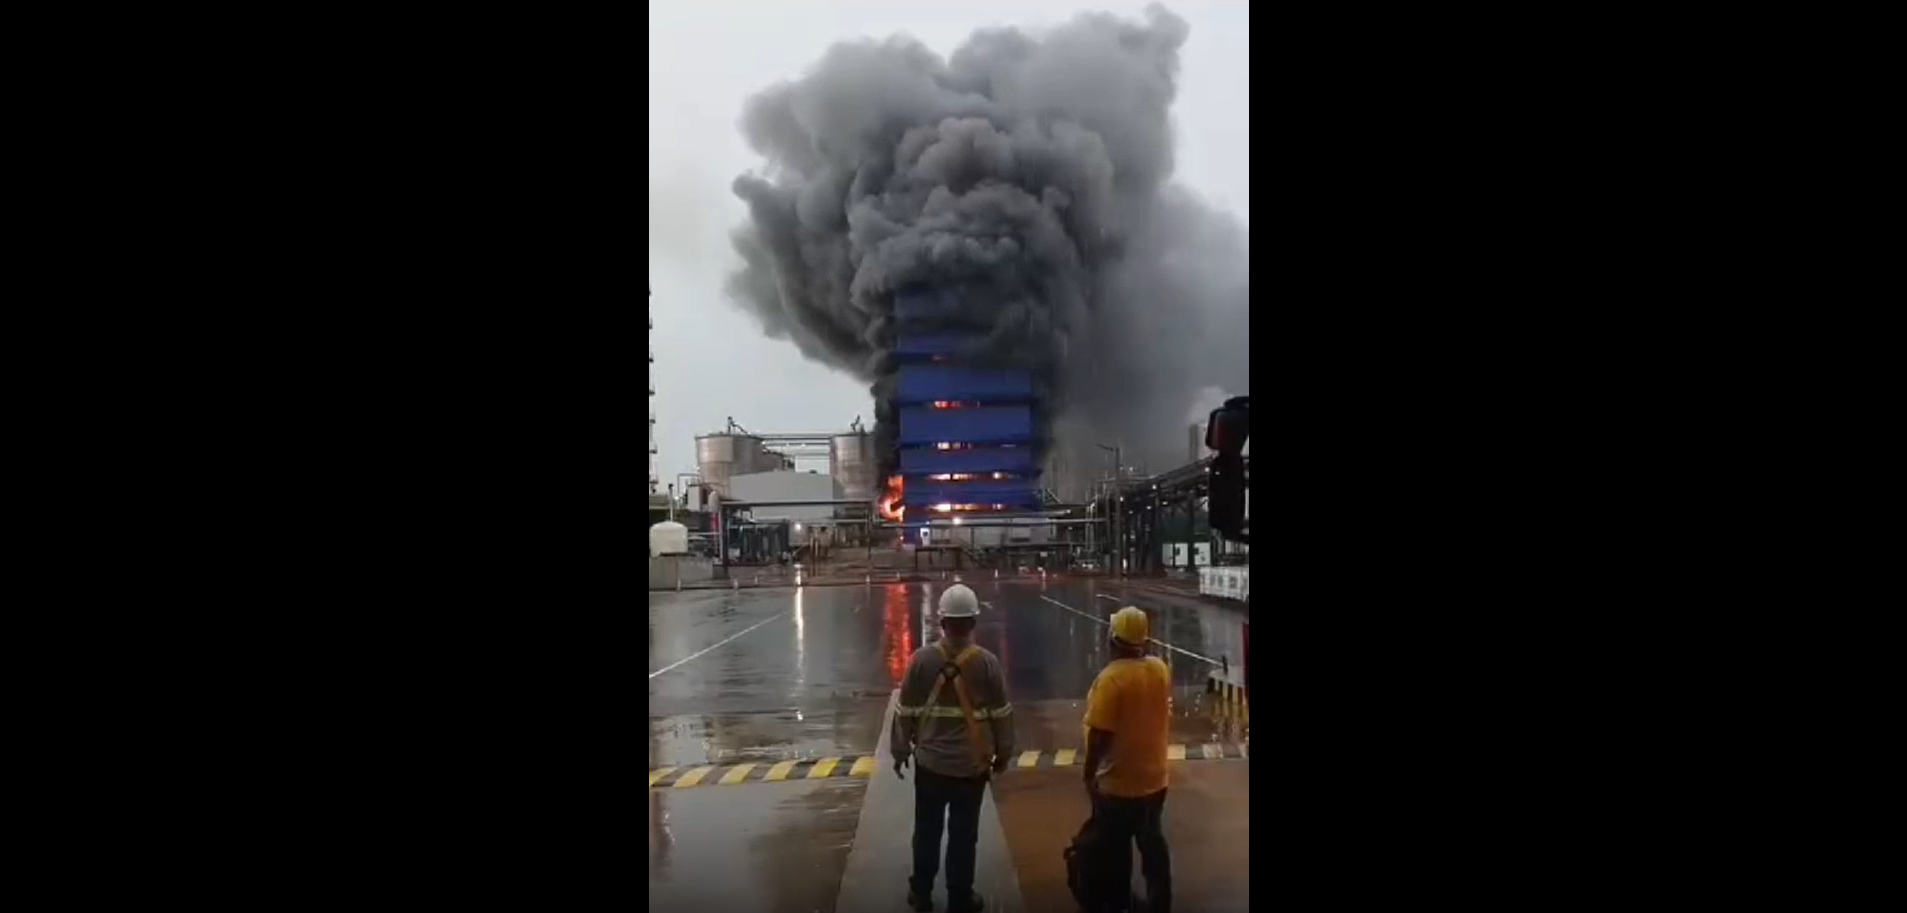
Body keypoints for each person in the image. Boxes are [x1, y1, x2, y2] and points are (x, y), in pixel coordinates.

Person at [891, 584, 1013, 913]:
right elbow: (1002, 715)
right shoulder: (987, 664)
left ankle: (921, 893)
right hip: (970, 768)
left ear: (942, 621)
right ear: (973, 621)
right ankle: (960, 895)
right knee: (964, 835)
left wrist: (900, 752)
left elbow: (905, 712)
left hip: (930, 764)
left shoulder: (920, 660)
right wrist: (1004, 753)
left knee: (927, 831)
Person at [1082, 606, 1173, 913]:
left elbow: (1099, 737)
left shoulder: (1111, 680)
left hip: (1118, 784)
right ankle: (1161, 901)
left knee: (1116, 850)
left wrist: (1089, 774)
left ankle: (1122, 903)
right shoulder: (1159, 669)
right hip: (1155, 779)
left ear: (1114, 638)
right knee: (1153, 844)